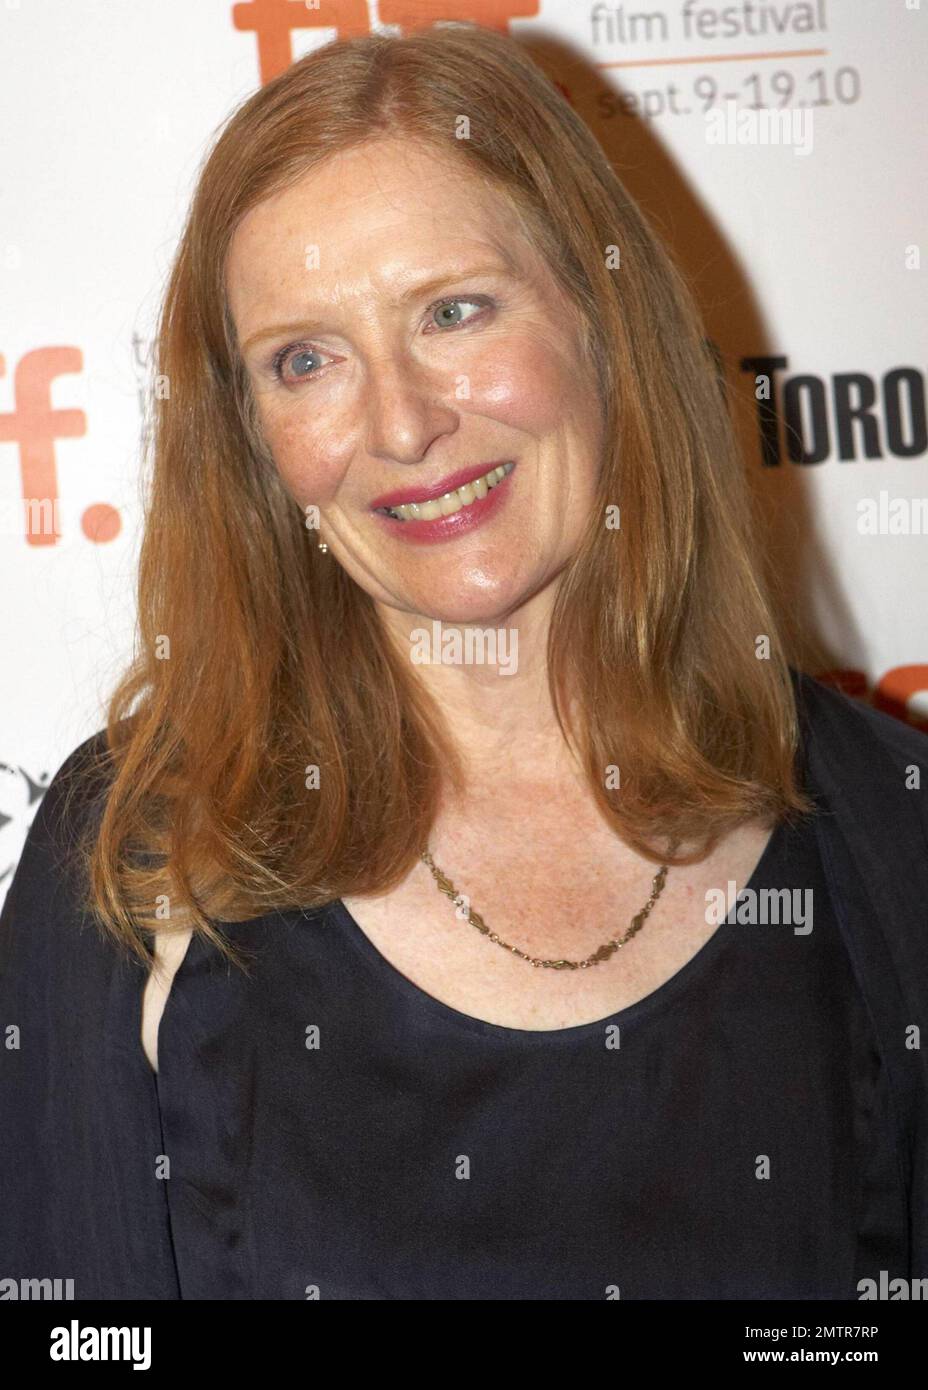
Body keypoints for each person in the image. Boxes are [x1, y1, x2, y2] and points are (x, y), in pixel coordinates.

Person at [1, 23, 926, 1302]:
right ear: (255, 440)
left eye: (455, 310)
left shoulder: (887, 830)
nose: (401, 422)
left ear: (603, 321)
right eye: (306, 360)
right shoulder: (132, 856)